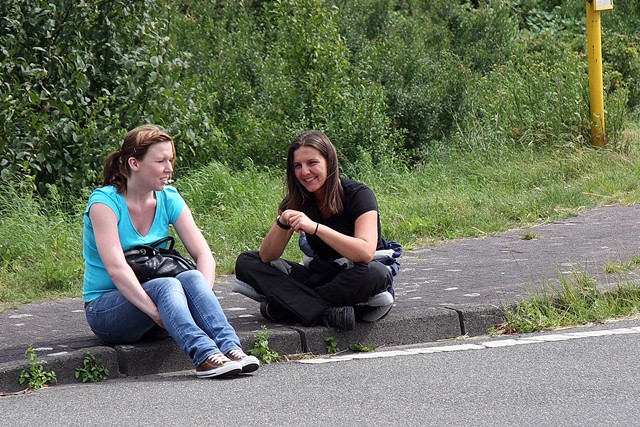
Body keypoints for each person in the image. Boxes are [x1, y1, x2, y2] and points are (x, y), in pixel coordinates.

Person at [82, 124, 259, 379]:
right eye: (161, 161)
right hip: (108, 312)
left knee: (192, 276)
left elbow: (204, 255)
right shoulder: (105, 203)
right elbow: (116, 269)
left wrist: (200, 299)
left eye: (171, 160)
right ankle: (204, 356)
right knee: (167, 284)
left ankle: (231, 349)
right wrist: (156, 313)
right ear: (134, 163)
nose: (169, 168)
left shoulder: (169, 197)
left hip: (166, 311)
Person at [235, 130, 398, 331]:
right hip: (321, 276)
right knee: (247, 261)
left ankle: (288, 307)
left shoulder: (359, 195)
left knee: (376, 273)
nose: (305, 172)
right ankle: (326, 313)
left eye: (312, 163)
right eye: (298, 166)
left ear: (329, 162)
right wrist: (282, 221)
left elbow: (365, 253)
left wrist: (316, 228)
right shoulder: (295, 201)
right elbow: (267, 256)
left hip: (355, 276)